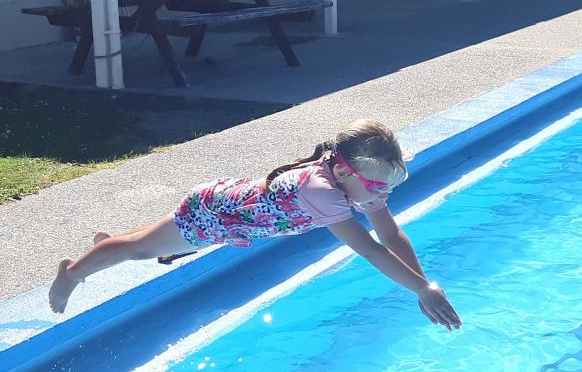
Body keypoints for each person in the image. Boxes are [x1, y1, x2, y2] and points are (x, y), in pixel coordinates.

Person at [48, 119, 462, 331]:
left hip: (226, 207)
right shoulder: (321, 193)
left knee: (148, 242)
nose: (382, 194)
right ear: (342, 169)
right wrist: (421, 287)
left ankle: (109, 245)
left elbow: (390, 233)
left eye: (391, 185)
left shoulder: (352, 183)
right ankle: (73, 272)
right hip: (215, 217)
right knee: (142, 249)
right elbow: (371, 248)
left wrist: (422, 288)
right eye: (376, 185)